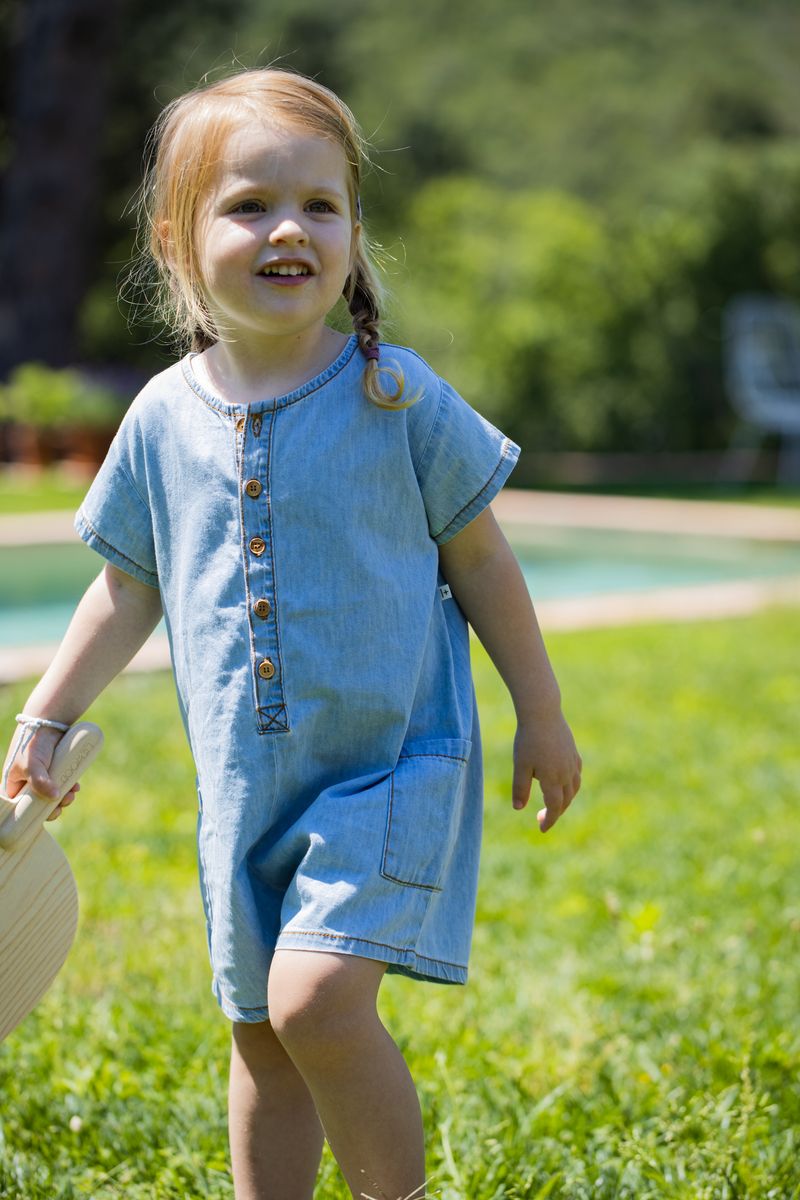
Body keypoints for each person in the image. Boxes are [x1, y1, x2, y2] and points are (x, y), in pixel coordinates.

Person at [1, 68, 581, 1200]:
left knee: (313, 1001)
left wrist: (541, 712)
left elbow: (481, 560)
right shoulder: (162, 418)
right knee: (259, 1030)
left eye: (321, 205)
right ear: (177, 239)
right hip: (246, 787)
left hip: (390, 767)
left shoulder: (394, 397)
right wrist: (46, 715)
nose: (290, 229)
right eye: (250, 204)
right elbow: (128, 586)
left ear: (355, 235)